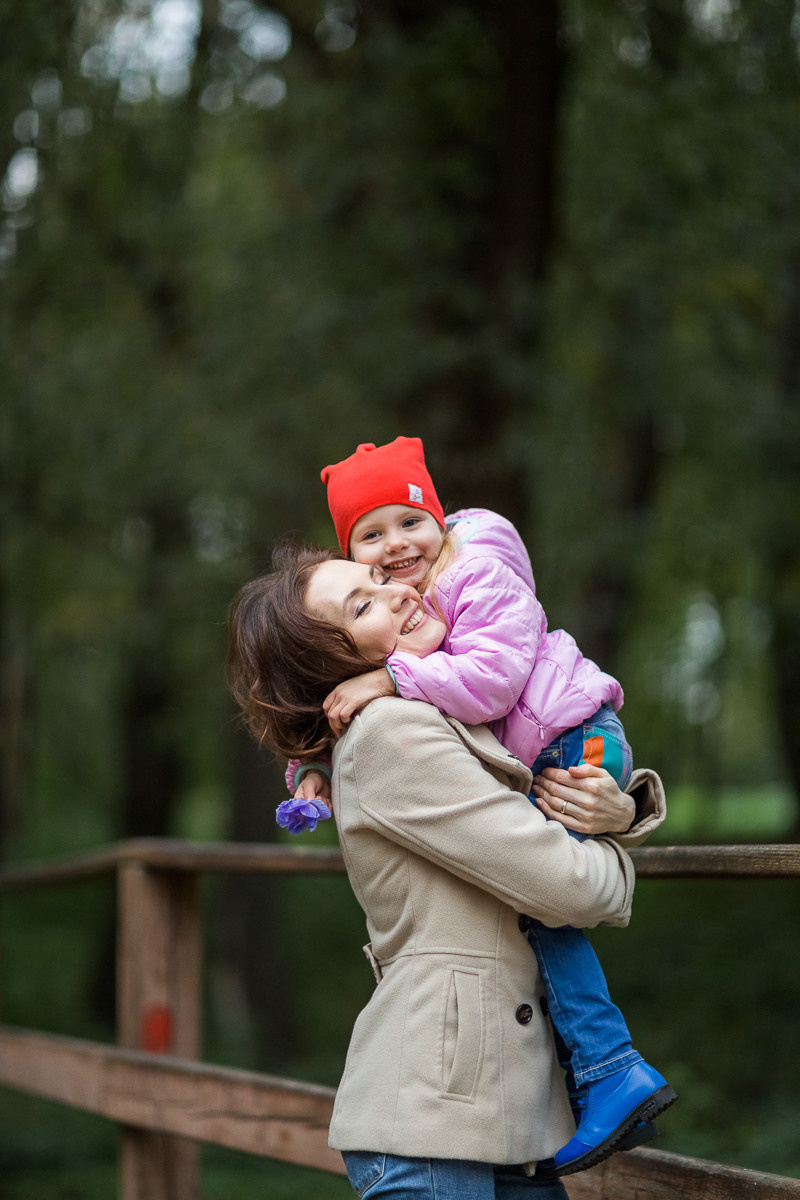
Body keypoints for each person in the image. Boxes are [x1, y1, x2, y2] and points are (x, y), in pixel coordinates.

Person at [284, 437, 676, 1176]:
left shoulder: (469, 588)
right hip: (435, 1121)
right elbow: (566, 884)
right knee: (543, 908)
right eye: (368, 572)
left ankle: (607, 1068)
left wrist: (620, 813)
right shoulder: (396, 724)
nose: (396, 568)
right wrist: (313, 765)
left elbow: (492, 695)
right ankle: (606, 1065)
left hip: (491, 1118)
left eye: (408, 529)